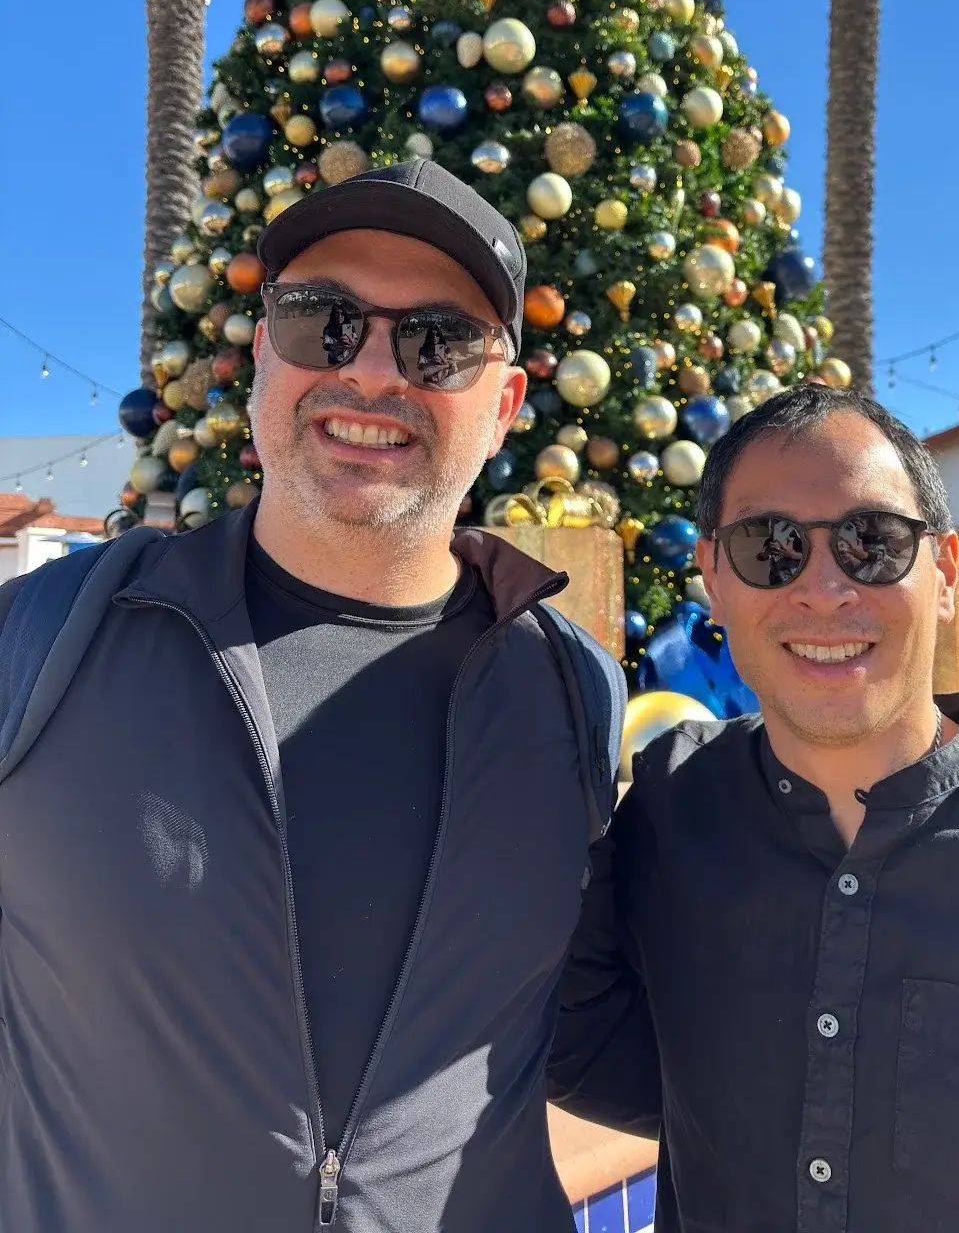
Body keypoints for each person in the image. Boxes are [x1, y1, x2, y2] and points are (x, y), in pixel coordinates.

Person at [0, 160, 624, 1233]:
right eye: (321, 321)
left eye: (438, 342)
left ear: (506, 404)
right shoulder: (44, 639)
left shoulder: (572, 688)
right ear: (261, 358)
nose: (371, 371)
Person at [549, 385, 959, 1232]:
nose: (823, 589)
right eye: (770, 546)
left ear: (945, 573)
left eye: (873, 542)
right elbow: (587, 1043)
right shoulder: (671, 814)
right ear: (713, 576)